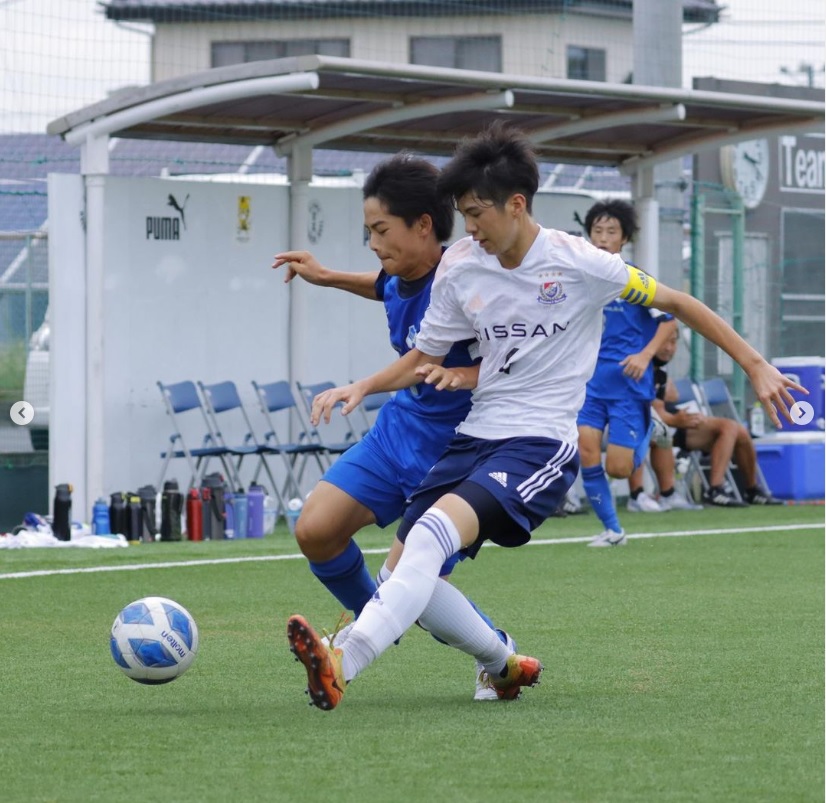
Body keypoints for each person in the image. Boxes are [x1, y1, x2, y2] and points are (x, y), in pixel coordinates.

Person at [286, 122, 803, 711]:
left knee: (428, 539)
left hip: (537, 442)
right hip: (473, 436)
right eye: (463, 214)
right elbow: (425, 355)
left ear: (516, 204)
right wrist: (365, 385)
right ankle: (500, 663)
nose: (469, 228)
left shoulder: (579, 262)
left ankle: (344, 658)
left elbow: (677, 302)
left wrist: (755, 364)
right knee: (406, 575)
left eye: (476, 213)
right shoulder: (462, 266)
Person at [272, 154, 514, 701]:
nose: (373, 243)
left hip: (459, 453)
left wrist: (369, 385)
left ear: (423, 225)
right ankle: (376, 622)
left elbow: (515, 358)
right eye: (369, 231)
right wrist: (326, 276)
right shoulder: (403, 275)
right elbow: (383, 286)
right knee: (316, 529)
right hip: (399, 431)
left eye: (381, 230)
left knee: (411, 581)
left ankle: (498, 657)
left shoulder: (469, 279)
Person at [576, 199, 677, 541]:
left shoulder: (633, 279)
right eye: (597, 231)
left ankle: (650, 428)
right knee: (586, 451)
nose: (603, 237)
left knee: (619, 469)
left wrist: (645, 356)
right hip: (590, 384)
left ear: (624, 239)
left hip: (628, 385)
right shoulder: (581, 279)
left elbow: (668, 320)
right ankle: (613, 529)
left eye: (611, 231)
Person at [628, 327, 782, 507]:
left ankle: (750, 490)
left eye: (673, 342)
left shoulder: (660, 371)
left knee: (737, 430)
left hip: (667, 420)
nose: (669, 348)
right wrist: (675, 420)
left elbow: (669, 400)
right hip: (640, 424)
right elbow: (653, 413)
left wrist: (677, 416)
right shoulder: (637, 365)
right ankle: (643, 495)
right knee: (656, 434)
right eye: (665, 341)